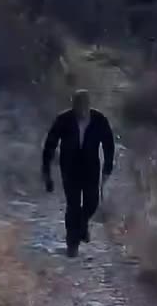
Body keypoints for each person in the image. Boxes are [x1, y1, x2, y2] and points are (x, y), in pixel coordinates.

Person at [41, 89, 115, 257]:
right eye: (77, 106)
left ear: (88, 105)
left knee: (92, 202)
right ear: (73, 106)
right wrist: (47, 172)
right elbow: (50, 145)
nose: (80, 110)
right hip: (70, 167)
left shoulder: (99, 120)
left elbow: (108, 143)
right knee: (73, 205)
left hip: (91, 167)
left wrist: (108, 165)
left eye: (83, 106)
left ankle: (81, 226)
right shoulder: (64, 120)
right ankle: (72, 243)